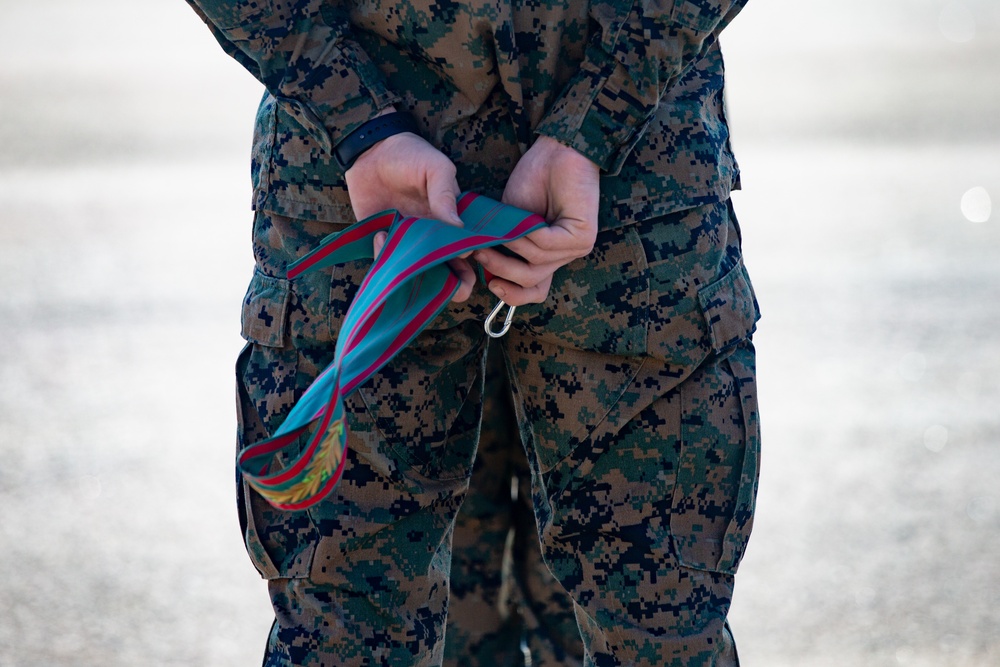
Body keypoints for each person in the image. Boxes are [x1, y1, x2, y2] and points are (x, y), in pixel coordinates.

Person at [186, 0, 761, 664]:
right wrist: (355, 117)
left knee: (650, 625)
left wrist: (356, 116)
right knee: (357, 630)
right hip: (396, 215)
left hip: (609, 211)